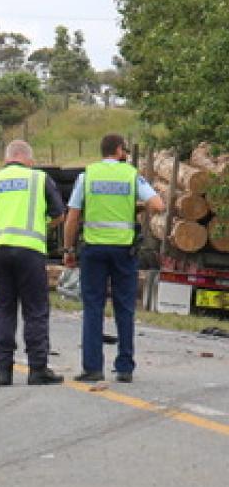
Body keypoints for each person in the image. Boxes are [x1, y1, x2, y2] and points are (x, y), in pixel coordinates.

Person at [63, 134, 164, 383]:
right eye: (124, 151)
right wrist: (136, 207)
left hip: (94, 249)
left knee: (93, 308)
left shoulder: (87, 176)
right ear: (119, 150)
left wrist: (68, 250)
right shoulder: (130, 175)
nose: (126, 154)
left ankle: (93, 368)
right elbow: (158, 205)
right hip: (123, 251)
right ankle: (125, 367)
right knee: (125, 308)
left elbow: (73, 217)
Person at [0, 140, 66, 386]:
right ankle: (37, 369)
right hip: (30, 252)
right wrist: (42, 228)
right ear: (28, 159)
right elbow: (59, 214)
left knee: (3, 309)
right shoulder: (39, 179)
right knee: (35, 310)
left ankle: (3, 370)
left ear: (7, 158)